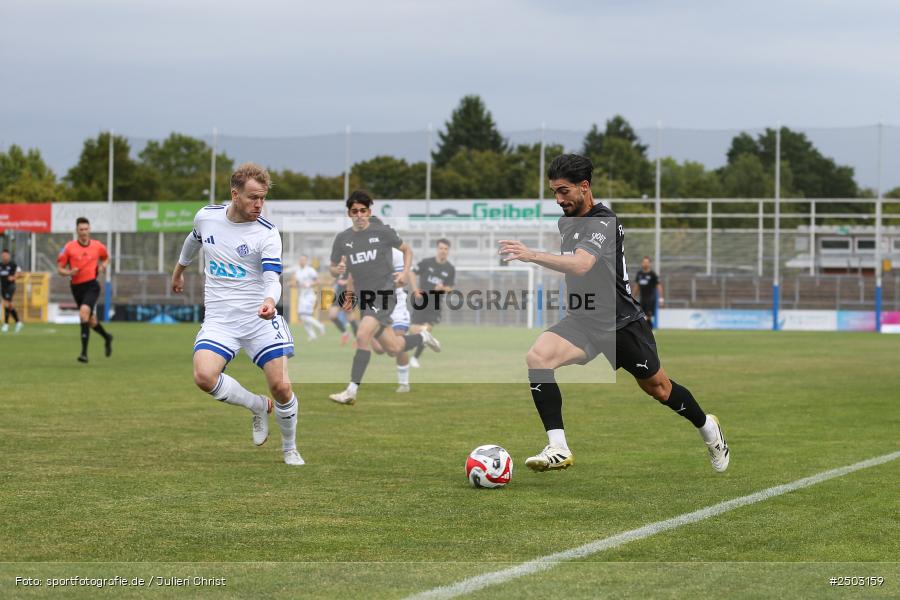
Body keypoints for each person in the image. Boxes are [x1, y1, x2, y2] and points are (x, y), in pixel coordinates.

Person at [499, 154, 729, 474]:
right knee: (538, 357)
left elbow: (582, 264)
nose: (558, 199)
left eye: (564, 191)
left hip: (621, 323)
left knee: (659, 389)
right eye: (553, 191)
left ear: (584, 187)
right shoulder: (566, 222)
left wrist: (532, 255)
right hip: (583, 318)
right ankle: (558, 447)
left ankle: (708, 428)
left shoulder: (603, 220)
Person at [171, 163, 303, 466]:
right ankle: (257, 406)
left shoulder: (267, 234)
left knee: (281, 387)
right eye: (253, 198)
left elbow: (273, 277)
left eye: (263, 198)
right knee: (204, 376)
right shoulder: (207, 217)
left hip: (260, 320)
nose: (259, 205)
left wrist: (270, 300)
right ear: (235, 194)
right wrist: (179, 271)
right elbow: (193, 240)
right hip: (220, 321)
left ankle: (289, 448)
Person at [327, 190, 440, 405]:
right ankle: (422, 338)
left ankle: (351, 391)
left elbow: (407, 250)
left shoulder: (382, 232)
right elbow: (334, 269)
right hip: (365, 299)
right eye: (354, 211)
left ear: (369, 212)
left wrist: (405, 272)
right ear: (349, 214)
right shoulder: (342, 239)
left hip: (385, 294)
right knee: (392, 348)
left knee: (361, 336)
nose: (359, 215)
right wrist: (337, 270)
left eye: (363, 210)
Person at [56, 218, 113, 362]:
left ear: (90, 230)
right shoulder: (69, 248)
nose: (84, 232)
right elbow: (59, 270)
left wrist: (103, 266)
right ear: (77, 231)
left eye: (86, 229)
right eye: (81, 229)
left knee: (83, 313)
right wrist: (69, 272)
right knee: (90, 320)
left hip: (92, 285)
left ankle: (84, 354)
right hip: (76, 287)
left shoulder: (97, 246)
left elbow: (107, 258)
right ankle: (107, 337)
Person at [370, 246, 413, 393]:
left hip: (397, 304)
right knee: (380, 349)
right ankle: (422, 337)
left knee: (398, 345)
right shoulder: (366, 253)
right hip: (376, 304)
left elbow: (403, 281)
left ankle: (404, 383)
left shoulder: (396, 254)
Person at [409, 238, 455, 368]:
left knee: (427, 329)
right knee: (414, 329)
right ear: (437, 249)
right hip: (421, 301)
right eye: (441, 248)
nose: (443, 251)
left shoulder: (450, 268)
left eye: (445, 249)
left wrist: (443, 288)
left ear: (448, 251)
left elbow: (450, 288)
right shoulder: (426, 262)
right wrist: (415, 289)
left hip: (435, 303)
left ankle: (415, 358)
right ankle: (420, 339)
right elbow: (412, 272)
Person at [294, 255, 326, 341]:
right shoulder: (298, 272)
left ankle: (320, 326)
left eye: (303, 260)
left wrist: (308, 284)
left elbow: (318, 281)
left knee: (304, 316)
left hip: (309, 296)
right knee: (303, 316)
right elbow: (297, 283)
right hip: (302, 295)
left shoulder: (310, 270)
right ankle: (312, 335)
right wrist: (295, 285)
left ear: (306, 261)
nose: (302, 261)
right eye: (300, 260)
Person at [635, 256, 664, 328]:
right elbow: (637, 286)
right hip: (642, 298)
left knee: (648, 315)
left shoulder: (652, 274)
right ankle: (647, 330)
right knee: (643, 316)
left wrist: (661, 298)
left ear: (649, 264)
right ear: (642, 263)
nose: (645, 264)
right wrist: (633, 297)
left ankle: (650, 330)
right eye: (644, 262)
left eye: (647, 262)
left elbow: (659, 286)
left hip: (651, 298)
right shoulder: (639, 274)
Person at [0, 249, 23, 333]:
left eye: (6, 255)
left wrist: (13, 277)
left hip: (11, 286)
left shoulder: (13, 264)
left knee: (6, 303)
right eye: (3, 256)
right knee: (8, 305)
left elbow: (20, 273)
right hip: (3, 287)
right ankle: (18, 322)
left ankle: (6, 324)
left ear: (8, 256)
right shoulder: (1, 265)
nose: (4, 257)